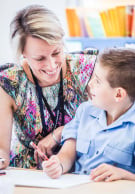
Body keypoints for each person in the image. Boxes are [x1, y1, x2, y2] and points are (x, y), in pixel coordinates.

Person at [0, 4, 98, 169]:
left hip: (81, 168)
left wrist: (60, 133)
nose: (52, 66)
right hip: (27, 173)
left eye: (56, 53)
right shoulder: (9, 82)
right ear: (23, 53)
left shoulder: (86, 69)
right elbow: (2, 150)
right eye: (40, 59)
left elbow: (109, 123)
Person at [42, 48, 135, 181]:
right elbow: (67, 154)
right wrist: (58, 164)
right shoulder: (85, 111)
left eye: (97, 81)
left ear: (118, 94)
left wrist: (124, 175)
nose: (90, 84)